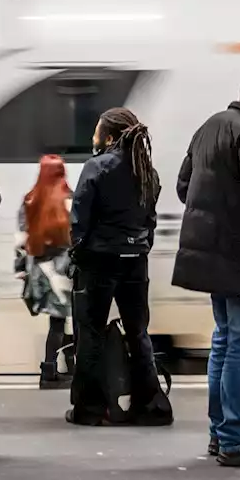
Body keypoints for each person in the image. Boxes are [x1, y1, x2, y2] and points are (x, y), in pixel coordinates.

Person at [174, 69, 240, 466]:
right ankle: (236, 439)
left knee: (224, 340)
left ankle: (220, 433)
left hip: (213, 256)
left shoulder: (209, 126)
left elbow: (185, 188)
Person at [70, 108, 173, 428]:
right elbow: (150, 219)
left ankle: (90, 408)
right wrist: (139, 247)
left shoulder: (96, 167)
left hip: (99, 261)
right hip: (135, 261)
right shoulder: (147, 170)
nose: (93, 138)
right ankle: (152, 406)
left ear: (110, 137)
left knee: (90, 333)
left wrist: (78, 252)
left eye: (98, 132)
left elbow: (80, 220)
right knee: (138, 331)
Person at [14, 154, 75, 390]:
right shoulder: (69, 200)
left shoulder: (30, 200)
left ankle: (51, 369)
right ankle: (63, 368)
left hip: (41, 271)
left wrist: (21, 270)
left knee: (57, 322)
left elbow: (21, 239)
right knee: (70, 319)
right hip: (64, 270)